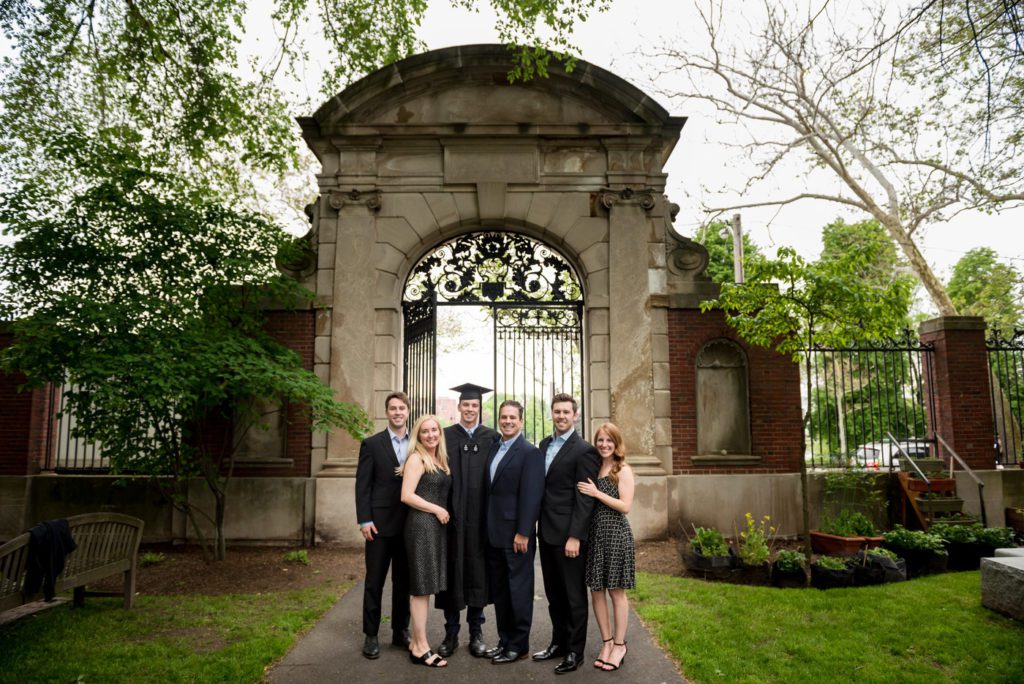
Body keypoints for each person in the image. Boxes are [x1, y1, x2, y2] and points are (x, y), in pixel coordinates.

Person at [534, 393, 600, 674]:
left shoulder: (583, 450)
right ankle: (558, 643)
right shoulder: (544, 444)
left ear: (575, 415)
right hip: (546, 532)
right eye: (557, 411)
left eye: (566, 412)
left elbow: (584, 497)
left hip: (569, 536)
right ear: (552, 413)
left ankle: (575, 651)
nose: (561, 416)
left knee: (573, 596)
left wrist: (576, 536)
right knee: (554, 594)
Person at [436, 383, 500, 658]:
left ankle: (476, 633)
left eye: (475, 405)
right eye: (466, 405)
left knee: (477, 571)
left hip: (481, 518)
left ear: (479, 408)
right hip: (451, 518)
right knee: (452, 570)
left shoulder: (493, 437)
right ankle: (451, 634)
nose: (470, 409)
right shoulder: (445, 436)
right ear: (459, 407)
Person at [484, 399, 545, 664]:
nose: (507, 421)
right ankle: (504, 639)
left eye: (512, 417)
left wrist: (524, 532)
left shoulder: (529, 452)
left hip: (516, 536)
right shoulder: (494, 447)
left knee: (519, 591)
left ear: (521, 421)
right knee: (501, 591)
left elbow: (532, 496)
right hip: (494, 533)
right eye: (503, 417)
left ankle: (519, 645)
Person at [354, 391, 412, 659]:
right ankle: (371, 635)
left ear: (408, 411)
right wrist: (365, 519)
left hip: (409, 526)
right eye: (393, 408)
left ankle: (400, 631)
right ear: (387, 412)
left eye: (402, 408)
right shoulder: (372, 444)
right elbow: (362, 485)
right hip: (378, 526)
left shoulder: (418, 443)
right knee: (374, 582)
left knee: (404, 583)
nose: (397, 412)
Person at [576, 422, 635, 672]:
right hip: (595, 536)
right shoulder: (595, 466)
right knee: (596, 591)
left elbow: (625, 506)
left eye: (609, 440)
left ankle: (620, 645)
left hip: (616, 535)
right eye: (600, 440)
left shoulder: (623, 469)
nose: (604, 444)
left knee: (616, 592)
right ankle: (607, 642)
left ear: (616, 443)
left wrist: (597, 493)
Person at [400, 414, 453, 668]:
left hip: (434, 529)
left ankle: (415, 643)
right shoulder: (417, 458)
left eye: (434, 430)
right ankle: (421, 647)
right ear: (418, 436)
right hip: (421, 527)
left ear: (440, 433)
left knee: (426, 587)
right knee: (421, 589)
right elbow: (406, 495)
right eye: (425, 431)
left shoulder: (438, 459)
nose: (430, 435)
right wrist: (437, 509)